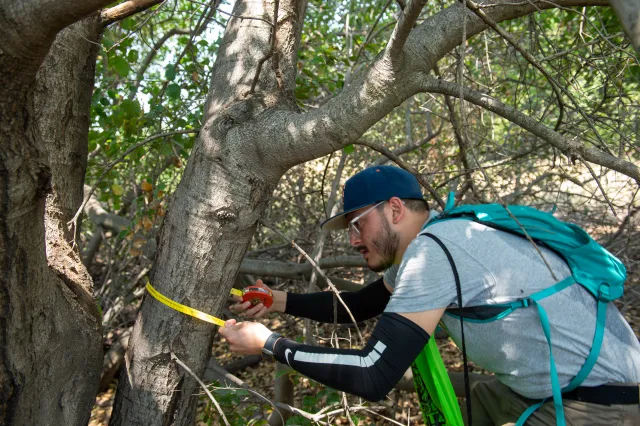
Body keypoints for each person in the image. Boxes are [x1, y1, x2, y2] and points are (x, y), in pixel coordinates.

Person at [218, 165, 640, 425]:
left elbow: (373, 373)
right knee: (472, 405)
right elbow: (360, 306)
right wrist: (278, 299)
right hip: (546, 391)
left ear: (394, 209)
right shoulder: (439, 238)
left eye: (357, 224)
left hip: (599, 405)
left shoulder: (434, 252)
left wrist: (270, 344)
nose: (353, 240)